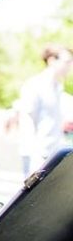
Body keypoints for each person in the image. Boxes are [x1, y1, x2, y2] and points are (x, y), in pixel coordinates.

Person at [13, 44, 72, 176]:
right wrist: (34, 155)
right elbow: (27, 120)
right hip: (36, 155)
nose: (70, 66)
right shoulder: (35, 85)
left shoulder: (58, 87)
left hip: (52, 154)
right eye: (67, 62)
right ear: (52, 60)